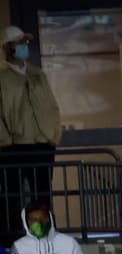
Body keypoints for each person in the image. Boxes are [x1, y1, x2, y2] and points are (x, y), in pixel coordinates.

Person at [0, 27, 61, 201]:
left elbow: (51, 106)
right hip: (12, 147)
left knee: (42, 196)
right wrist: (6, 142)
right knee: (12, 196)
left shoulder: (36, 73)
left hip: (42, 144)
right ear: (7, 47)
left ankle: (42, 228)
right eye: (19, 42)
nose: (24, 45)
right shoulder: (2, 77)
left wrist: (52, 135)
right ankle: (15, 229)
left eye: (25, 42)